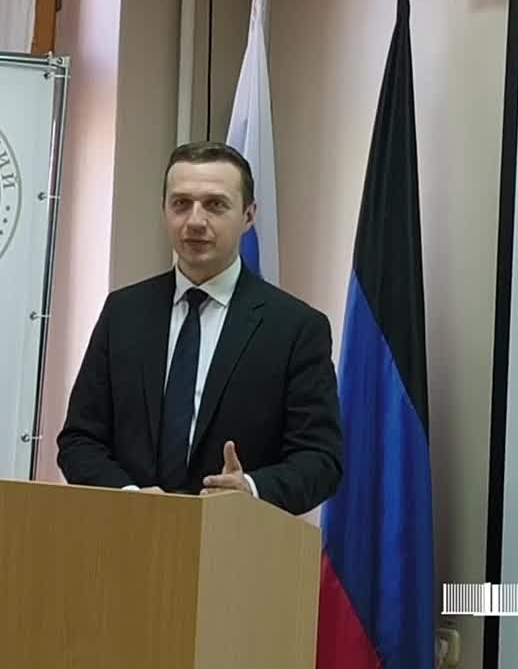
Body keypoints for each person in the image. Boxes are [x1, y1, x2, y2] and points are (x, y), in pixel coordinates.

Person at [56, 141, 343, 516]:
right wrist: (130, 496)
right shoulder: (123, 313)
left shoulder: (295, 328)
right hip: (128, 535)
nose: (194, 221)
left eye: (215, 204)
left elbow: (320, 459)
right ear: (164, 209)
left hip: (237, 540)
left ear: (249, 216)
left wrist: (251, 488)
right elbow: (80, 439)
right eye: (181, 203)